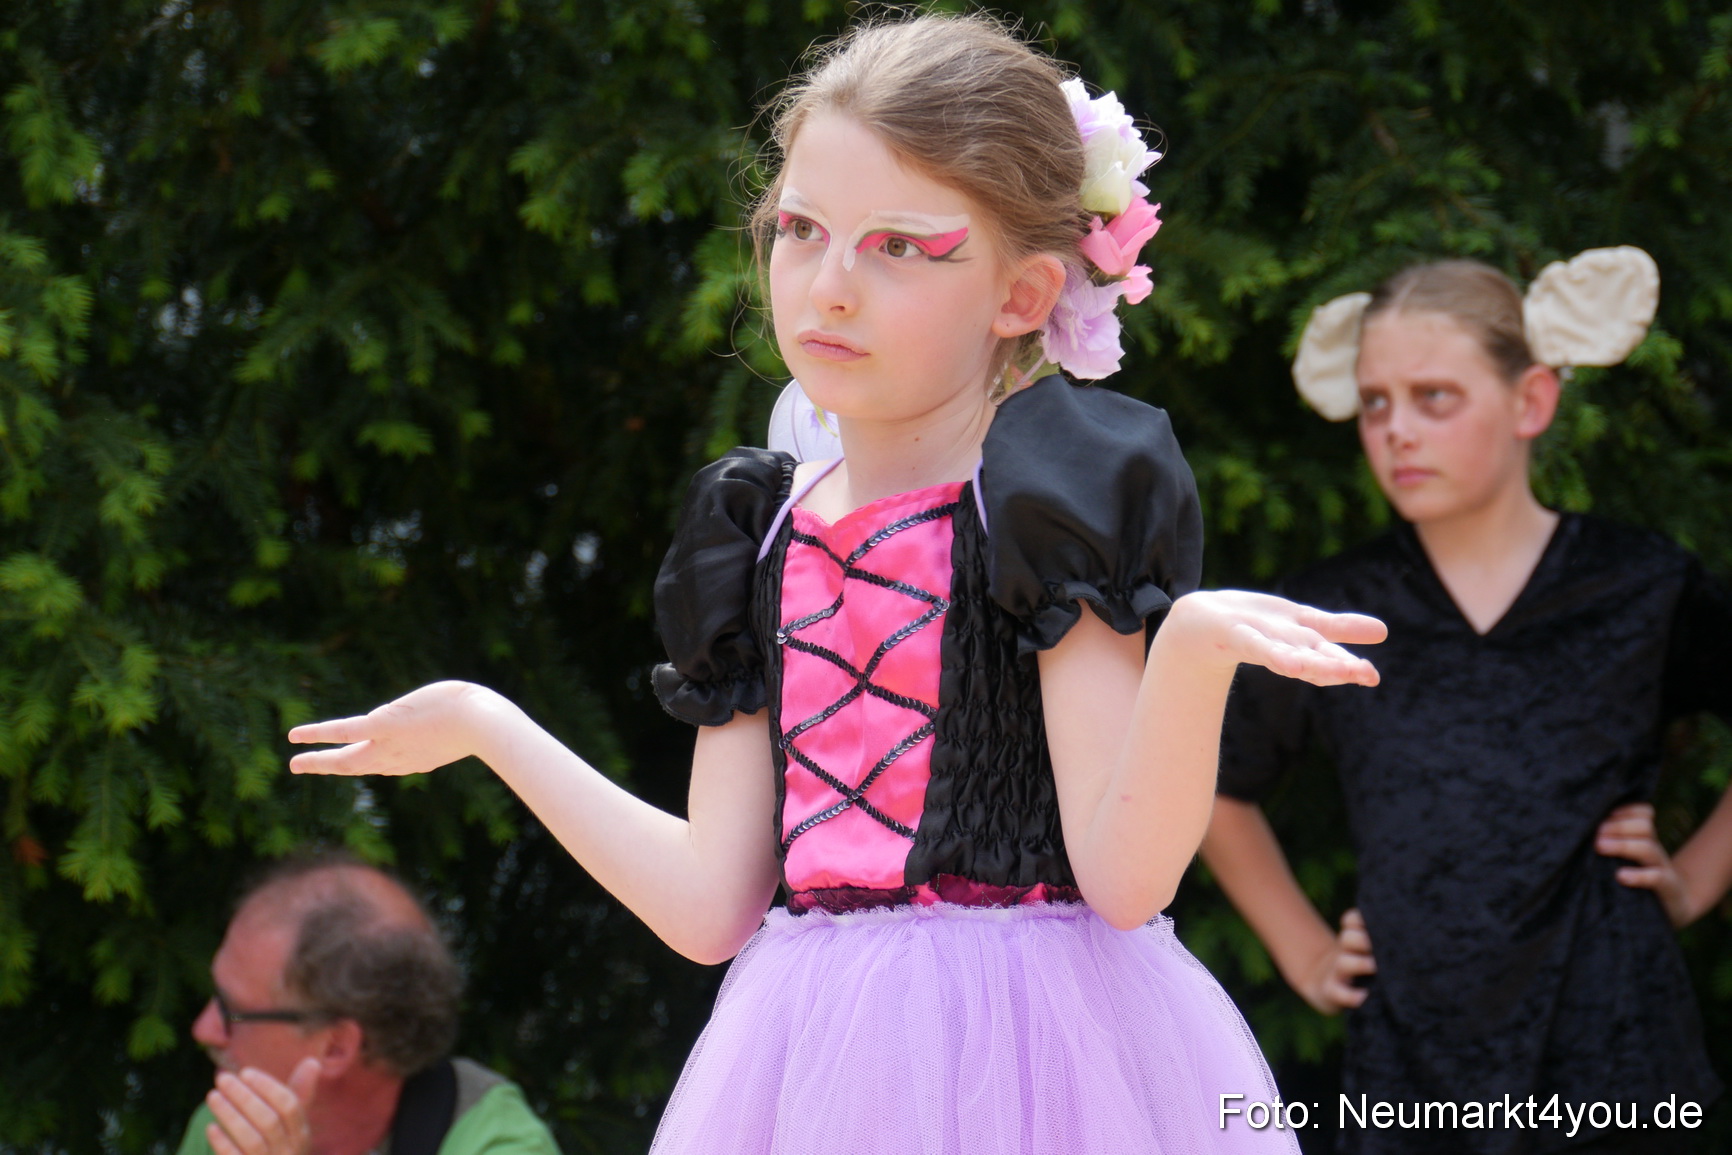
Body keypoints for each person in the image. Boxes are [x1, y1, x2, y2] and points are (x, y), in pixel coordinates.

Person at [286, 14, 1385, 1152]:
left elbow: (1123, 880)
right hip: (802, 1075)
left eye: (899, 246)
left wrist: (1191, 652)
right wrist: (487, 724)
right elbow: (714, 908)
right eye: (800, 229)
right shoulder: (752, 533)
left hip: (1043, 1062)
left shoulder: (1048, 510)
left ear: (1022, 295)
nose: (828, 288)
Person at [1202, 252, 1732, 1154]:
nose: (1397, 430)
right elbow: (1217, 780)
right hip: (1412, 1073)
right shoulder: (1338, 611)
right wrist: (1305, 949)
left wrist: (1694, 880)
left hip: (1618, 1061)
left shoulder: (1642, 585)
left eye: (1434, 397)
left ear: (1531, 401)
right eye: (1375, 402)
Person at [178, 851, 561, 1155]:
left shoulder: (497, 1144)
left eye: (233, 1011)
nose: (204, 1029)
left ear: (335, 1047)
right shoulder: (234, 1124)